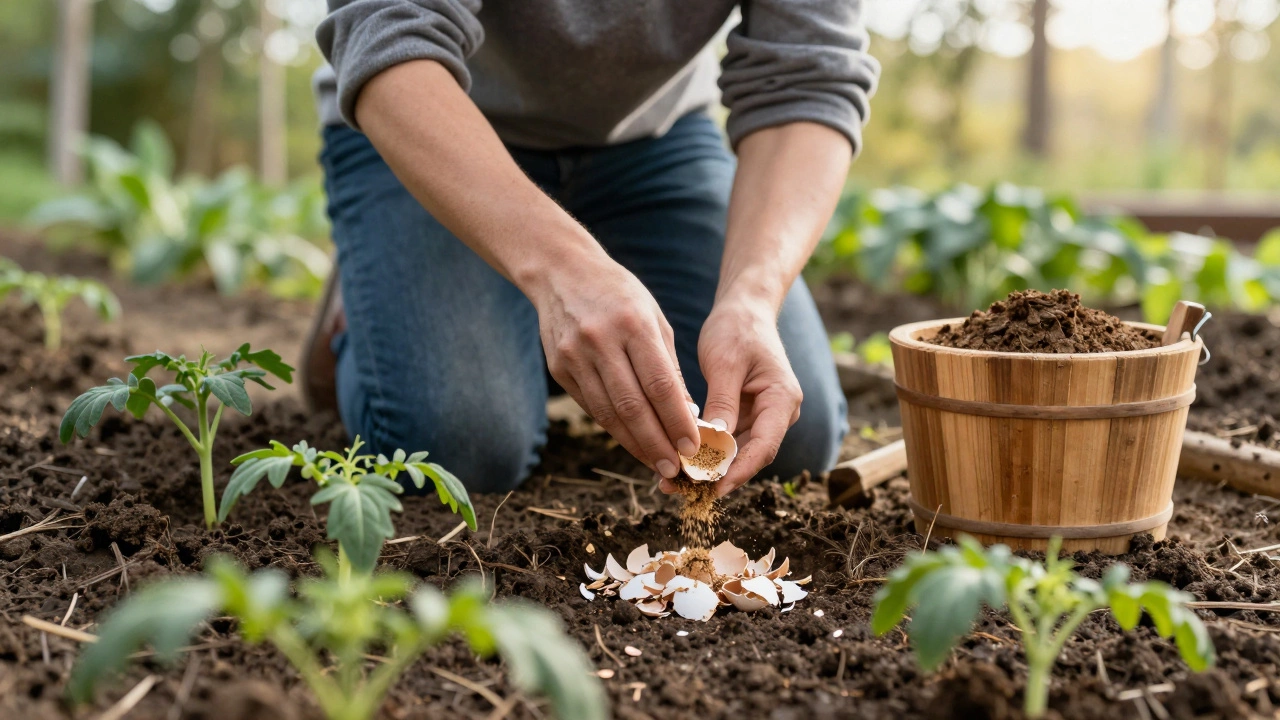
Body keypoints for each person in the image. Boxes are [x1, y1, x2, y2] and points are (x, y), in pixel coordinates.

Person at [304, 0, 880, 498]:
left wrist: (751, 296)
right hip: (434, 120)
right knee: (463, 446)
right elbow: (387, 26)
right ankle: (372, 295)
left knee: (787, 438)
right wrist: (563, 270)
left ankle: (503, 322)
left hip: (653, 142)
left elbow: (810, 77)